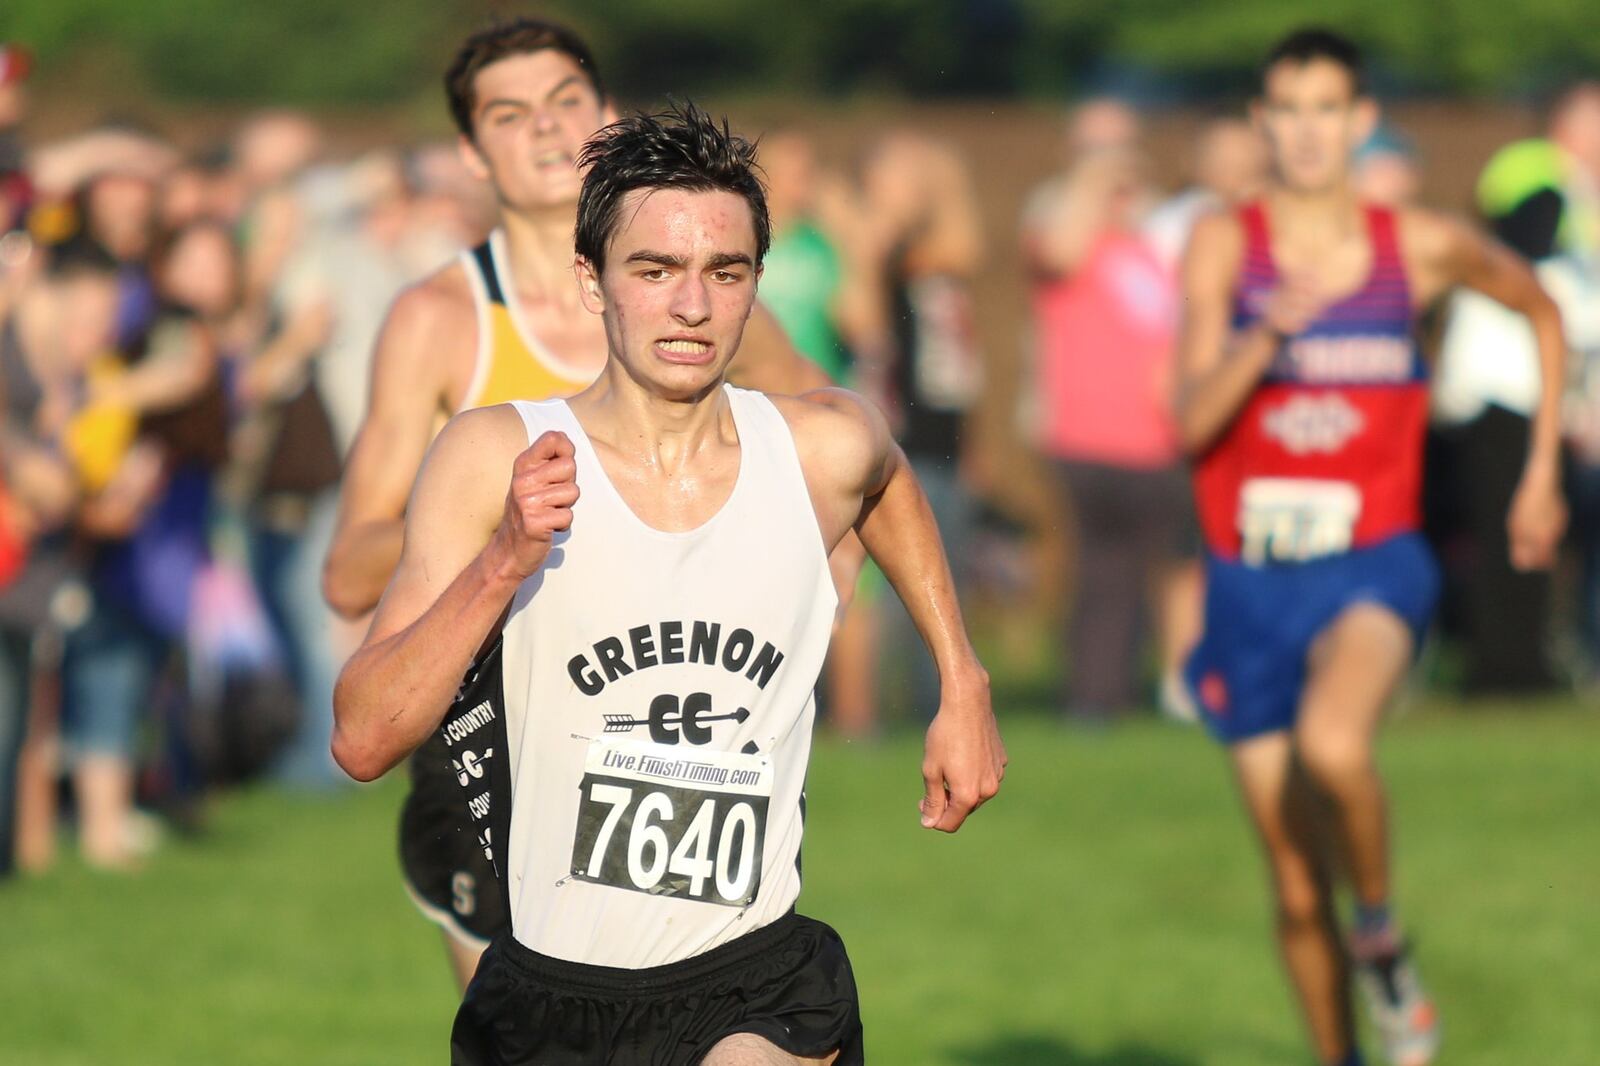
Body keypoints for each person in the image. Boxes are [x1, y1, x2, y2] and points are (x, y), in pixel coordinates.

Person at [332, 102, 1003, 1066]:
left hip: (755, 979)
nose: (691, 306)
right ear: (592, 282)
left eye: (723, 274)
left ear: (755, 287)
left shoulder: (818, 448)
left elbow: (887, 478)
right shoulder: (494, 456)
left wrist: (962, 681)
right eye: (654, 271)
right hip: (550, 992)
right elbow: (361, 736)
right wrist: (500, 566)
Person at [1176, 29, 1566, 1066]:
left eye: (1325, 109)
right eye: (1285, 110)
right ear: (1263, 124)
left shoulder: (1418, 246)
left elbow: (1540, 309)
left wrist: (1536, 474)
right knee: (1298, 892)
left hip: (1372, 562)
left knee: (1335, 745)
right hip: (1248, 581)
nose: (1305, 131)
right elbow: (1185, 423)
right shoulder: (1226, 243)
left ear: (1358, 121)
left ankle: (1383, 937)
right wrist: (1265, 338)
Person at [1023, 107, 1199, 725]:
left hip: (1155, 438)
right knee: (1099, 574)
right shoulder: (1056, 220)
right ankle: (1092, 697)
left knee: (1164, 571)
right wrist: (1097, 178)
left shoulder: (1154, 245)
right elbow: (1062, 249)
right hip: (1083, 435)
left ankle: (1153, 689)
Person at [1432, 83, 1600, 690]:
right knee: (1503, 533)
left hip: (1540, 390)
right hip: (1504, 390)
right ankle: (1502, 666)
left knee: (1538, 535)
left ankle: (1528, 660)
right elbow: (1523, 248)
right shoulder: (1535, 171)